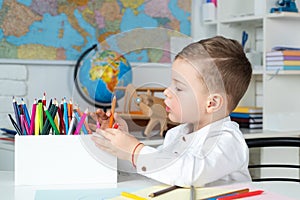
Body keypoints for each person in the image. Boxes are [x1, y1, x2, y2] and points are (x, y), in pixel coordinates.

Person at [90, 36, 253, 187]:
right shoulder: (176, 134)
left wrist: (135, 150)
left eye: (179, 88)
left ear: (212, 103)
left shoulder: (228, 141)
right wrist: (120, 144)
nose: (167, 91)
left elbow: (190, 173)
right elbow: (154, 170)